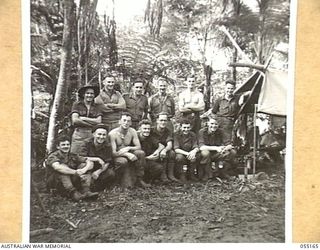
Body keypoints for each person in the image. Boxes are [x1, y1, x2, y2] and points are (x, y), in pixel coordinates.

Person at [46, 136, 99, 201]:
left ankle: (86, 191)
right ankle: (74, 194)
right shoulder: (53, 156)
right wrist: (75, 172)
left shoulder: (72, 155)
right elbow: (58, 167)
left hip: (69, 181)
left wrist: (83, 170)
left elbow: (89, 162)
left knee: (84, 165)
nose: (66, 146)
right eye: (63, 145)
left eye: (68, 144)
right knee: (63, 169)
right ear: (58, 147)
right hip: (56, 183)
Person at [108, 112, 150, 188]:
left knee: (140, 153)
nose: (126, 123)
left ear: (131, 122)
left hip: (127, 153)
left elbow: (138, 147)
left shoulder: (132, 131)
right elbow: (113, 153)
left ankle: (139, 179)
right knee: (123, 162)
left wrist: (129, 148)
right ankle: (116, 181)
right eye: (124, 120)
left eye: (128, 121)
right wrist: (126, 154)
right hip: (117, 157)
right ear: (119, 121)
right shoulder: (113, 134)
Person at [83, 124, 116, 191]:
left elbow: (107, 162)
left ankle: (97, 186)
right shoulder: (86, 143)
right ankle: (86, 187)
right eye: (99, 134)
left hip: (99, 168)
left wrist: (98, 172)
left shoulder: (107, 146)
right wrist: (97, 159)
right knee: (84, 165)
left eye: (104, 135)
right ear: (94, 134)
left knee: (111, 173)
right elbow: (81, 157)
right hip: (88, 167)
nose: (101, 137)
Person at [71, 84, 102, 155]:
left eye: (92, 94)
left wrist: (83, 118)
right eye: (87, 93)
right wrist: (91, 123)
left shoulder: (97, 106)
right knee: (75, 156)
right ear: (83, 95)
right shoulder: (77, 105)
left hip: (91, 134)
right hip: (79, 134)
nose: (89, 95)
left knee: (90, 155)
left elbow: (99, 121)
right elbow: (75, 120)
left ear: (94, 95)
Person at [151, 112, 180, 183]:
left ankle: (170, 174)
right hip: (154, 150)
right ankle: (162, 175)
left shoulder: (168, 131)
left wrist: (164, 150)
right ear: (157, 121)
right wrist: (161, 150)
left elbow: (169, 144)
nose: (163, 122)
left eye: (165, 120)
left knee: (172, 153)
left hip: (163, 150)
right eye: (161, 120)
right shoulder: (152, 130)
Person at [211, 80, 240, 144]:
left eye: (232, 88)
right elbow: (213, 112)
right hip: (219, 123)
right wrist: (214, 122)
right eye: (228, 88)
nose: (229, 90)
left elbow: (249, 92)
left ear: (234, 89)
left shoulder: (237, 98)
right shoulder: (219, 99)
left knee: (228, 142)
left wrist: (243, 97)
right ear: (225, 88)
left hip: (230, 123)